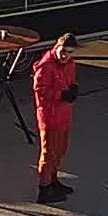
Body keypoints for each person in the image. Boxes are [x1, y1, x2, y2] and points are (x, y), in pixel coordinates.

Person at [32, 33, 79, 203]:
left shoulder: (70, 64)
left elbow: (71, 81)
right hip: (50, 116)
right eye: (63, 51)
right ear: (56, 47)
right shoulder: (46, 66)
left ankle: (53, 180)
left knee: (60, 150)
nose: (65, 55)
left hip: (64, 113)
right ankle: (44, 189)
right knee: (49, 152)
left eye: (70, 52)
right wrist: (62, 94)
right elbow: (40, 91)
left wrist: (73, 88)